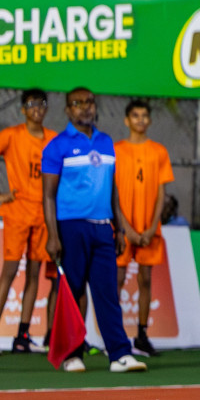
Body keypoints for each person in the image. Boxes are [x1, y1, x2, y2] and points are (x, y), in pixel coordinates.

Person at [40, 87, 144, 372]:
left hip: (103, 229)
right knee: (71, 292)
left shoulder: (107, 142)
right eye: (77, 104)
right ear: (68, 110)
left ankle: (119, 355)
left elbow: (112, 188)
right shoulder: (57, 146)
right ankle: (72, 354)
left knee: (107, 292)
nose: (85, 108)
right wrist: (52, 234)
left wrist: (119, 228)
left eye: (89, 103)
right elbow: (48, 195)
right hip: (71, 227)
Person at [115, 100, 174, 358]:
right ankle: (115, 337)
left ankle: (141, 335)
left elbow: (162, 193)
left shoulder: (159, 152)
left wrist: (152, 226)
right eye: (135, 116)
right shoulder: (116, 150)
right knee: (116, 280)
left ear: (149, 121)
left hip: (149, 228)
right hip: (122, 228)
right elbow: (112, 192)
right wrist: (124, 226)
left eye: (144, 116)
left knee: (145, 279)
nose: (140, 120)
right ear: (127, 120)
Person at [0, 88, 57, 353]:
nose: (37, 108)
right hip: (17, 213)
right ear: (23, 109)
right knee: (9, 274)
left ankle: (22, 336)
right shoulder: (11, 136)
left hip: (44, 215)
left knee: (34, 274)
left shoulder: (53, 140)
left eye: (41, 104)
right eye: (32, 104)